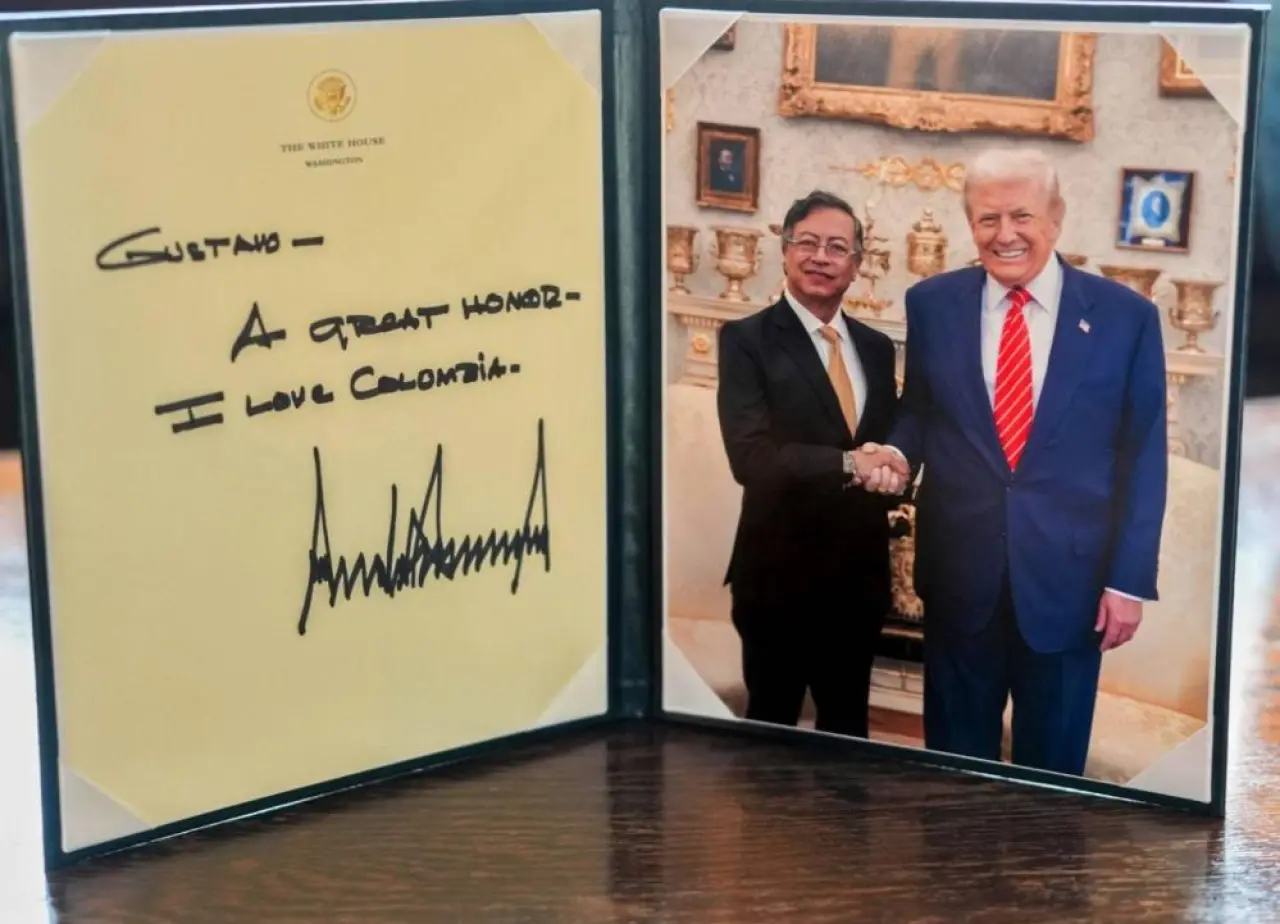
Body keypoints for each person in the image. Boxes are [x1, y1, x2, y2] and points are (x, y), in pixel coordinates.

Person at [860, 146, 1168, 776]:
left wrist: (1128, 582)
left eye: (1021, 216)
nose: (1005, 235)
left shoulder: (1125, 318)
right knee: (953, 773)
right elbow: (920, 410)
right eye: (987, 218)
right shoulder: (932, 304)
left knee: (1051, 779)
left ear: (1056, 217)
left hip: (1071, 587)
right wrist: (895, 449)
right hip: (959, 577)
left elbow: (1143, 455)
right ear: (969, 223)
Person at [715, 189, 903, 738]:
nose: (822, 257)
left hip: (857, 580)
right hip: (777, 577)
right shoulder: (746, 340)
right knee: (770, 737)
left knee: (847, 737)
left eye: (837, 248)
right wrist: (848, 464)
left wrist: (896, 467)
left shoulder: (875, 347)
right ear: (786, 250)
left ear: (857, 265)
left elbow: (886, 444)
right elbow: (751, 458)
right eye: (809, 243)